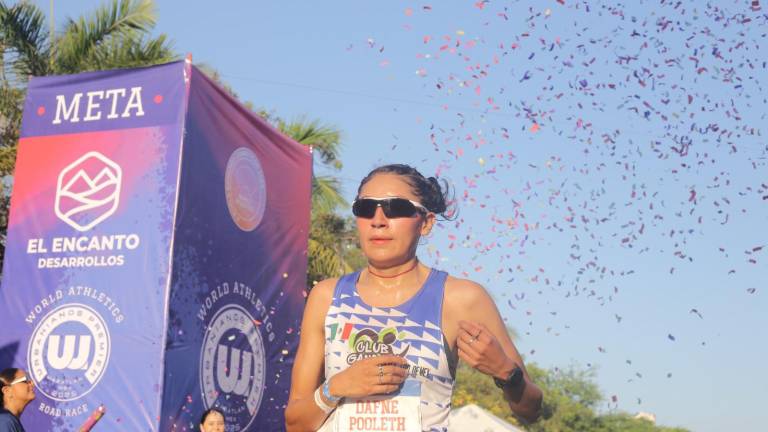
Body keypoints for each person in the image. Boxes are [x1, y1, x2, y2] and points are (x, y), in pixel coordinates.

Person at [285, 164, 543, 432]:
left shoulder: (459, 298)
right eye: (365, 208)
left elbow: (531, 411)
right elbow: (295, 424)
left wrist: (507, 374)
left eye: (396, 208)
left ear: (427, 222)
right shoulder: (327, 296)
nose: (378, 220)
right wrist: (336, 387)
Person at [0, 368, 35, 432]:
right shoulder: (4, 422)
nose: (32, 384)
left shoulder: (9, 421)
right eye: (26, 381)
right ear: (7, 391)